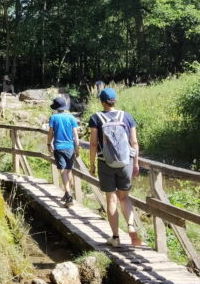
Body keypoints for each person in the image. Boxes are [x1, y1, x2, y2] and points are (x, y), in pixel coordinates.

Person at [88, 87, 142, 247]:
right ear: (115, 101)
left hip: (105, 162)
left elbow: (93, 144)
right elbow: (134, 142)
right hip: (126, 162)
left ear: (102, 102)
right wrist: (136, 163)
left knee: (111, 199)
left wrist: (92, 164)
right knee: (124, 198)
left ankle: (116, 238)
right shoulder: (127, 116)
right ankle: (131, 226)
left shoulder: (96, 118)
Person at [47, 97, 80, 207]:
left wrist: (49, 143)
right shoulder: (71, 117)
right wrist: (77, 147)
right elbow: (75, 134)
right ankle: (68, 193)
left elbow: (51, 132)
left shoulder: (53, 117)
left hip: (59, 147)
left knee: (62, 170)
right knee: (69, 170)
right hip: (70, 147)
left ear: (56, 108)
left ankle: (68, 195)